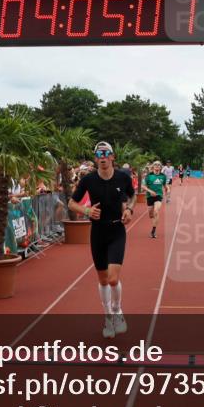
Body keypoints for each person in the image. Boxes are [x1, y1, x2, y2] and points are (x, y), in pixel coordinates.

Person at [68, 142, 134, 338]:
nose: (103, 157)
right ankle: (107, 317)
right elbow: (72, 203)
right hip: (97, 232)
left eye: (106, 153)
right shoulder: (88, 180)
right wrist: (87, 210)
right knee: (103, 279)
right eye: (99, 154)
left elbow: (130, 196)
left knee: (113, 279)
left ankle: (117, 311)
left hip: (116, 230)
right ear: (96, 158)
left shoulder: (123, 177)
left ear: (112, 156)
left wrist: (129, 209)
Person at [143, 161, 167, 239]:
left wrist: (168, 188)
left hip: (158, 196)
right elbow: (143, 186)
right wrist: (150, 191)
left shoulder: (163, 176)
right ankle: (152, 216)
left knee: (156, 211)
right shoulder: (148, 176)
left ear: (160, 167)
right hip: (149, 196)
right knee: (151, 214)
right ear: (153, 166)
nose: (157, 166)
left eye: (158, 165)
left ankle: (153, 231)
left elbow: (164, 185)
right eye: (155, 165)